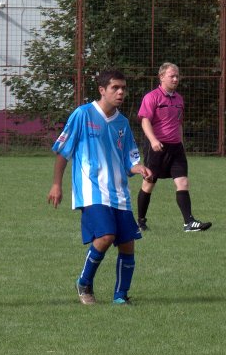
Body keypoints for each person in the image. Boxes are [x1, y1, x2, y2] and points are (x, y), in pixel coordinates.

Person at [48, 70, 151, 305]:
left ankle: (120, 297)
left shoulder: (122, 123)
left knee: (127, 244)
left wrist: (138, 168)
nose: (121, 92)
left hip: (119, 193)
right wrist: (56, 184)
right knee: (105, 236)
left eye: (123, 88)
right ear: (102, 90)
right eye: (115, 87)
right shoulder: (82, 115)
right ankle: (84, 283)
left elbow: (129, 159)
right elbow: (63, 152)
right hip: (91, 190)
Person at [136, 62, 211, 232]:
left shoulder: (179, 98)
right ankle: (140, 221)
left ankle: (189, 222)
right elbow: (145, 121)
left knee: (183, 181)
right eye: (172, 76)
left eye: (177, 76)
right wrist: (153, 140)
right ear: (161, 77)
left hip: (176, 148)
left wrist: (181, 144)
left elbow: (178, 123)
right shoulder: (151, 97)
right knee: (148, 183)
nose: (176, 79)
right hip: (156, 147)